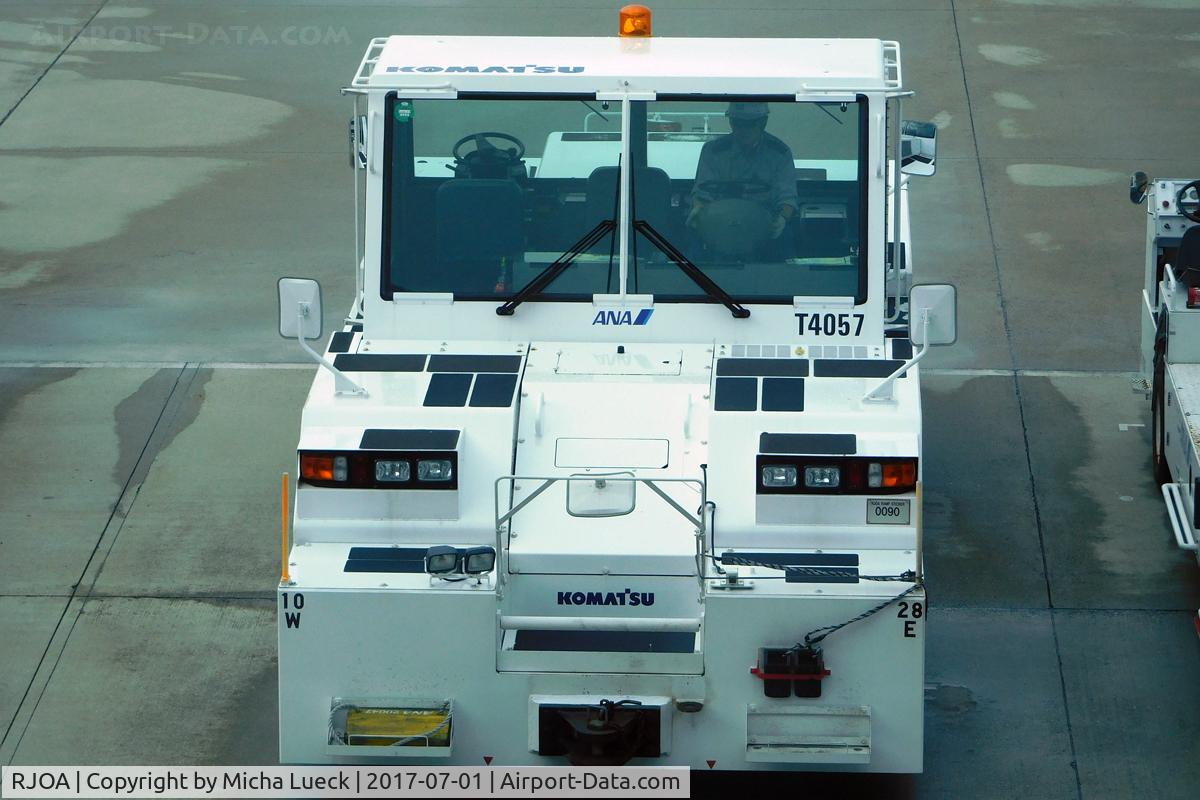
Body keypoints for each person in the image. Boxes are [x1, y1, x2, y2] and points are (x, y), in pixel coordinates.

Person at [687, 102, 798, 242]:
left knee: (786, 239)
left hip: (763, 225)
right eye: (737, 123)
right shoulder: (713, 151)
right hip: (719, 224)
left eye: (750, 124)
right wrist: (698, 209)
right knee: (691, 241)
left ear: (763, 123)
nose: (743, 129)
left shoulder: (780, 153)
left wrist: (782, 219)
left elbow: (787, 197)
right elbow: (702, 192)